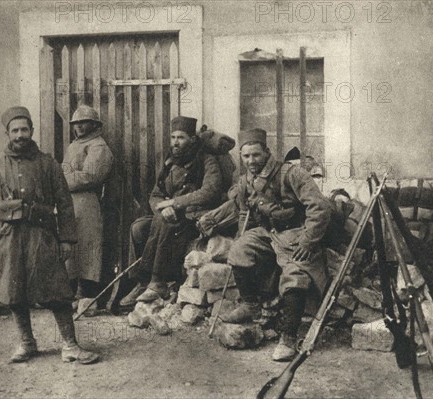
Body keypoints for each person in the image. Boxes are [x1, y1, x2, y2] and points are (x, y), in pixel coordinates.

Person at [0, 106, 99, 364]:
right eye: (15, 130)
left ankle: (70, 345)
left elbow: (65, 204)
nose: (20, 134)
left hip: (41, 236)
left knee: (57, 290)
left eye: (24, 129)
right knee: (13, 292)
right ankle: (27, 343)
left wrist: (66, 239)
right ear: (7, 134)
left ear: (31, 131)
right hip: (7, 238)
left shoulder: (48, 164)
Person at [222, 129, 332, 362]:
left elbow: (319, 207)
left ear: (267, 152)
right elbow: (244, 213)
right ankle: (251, 305)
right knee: (239, 250)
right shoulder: (245, 181)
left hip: (296, 232)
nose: (251, 161)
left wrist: (308, 239)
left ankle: (288, 337)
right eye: (246, 156)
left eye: (256, 155)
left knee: (294, 273)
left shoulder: (292, 173)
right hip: (268, 231)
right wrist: (241, 237)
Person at [119, 116, 223, 305]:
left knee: (165, 221)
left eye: (181, 137)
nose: (176, 142)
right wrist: (162, 208)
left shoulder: (207, 160)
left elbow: (211, 191)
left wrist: (174, 204)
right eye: (173, 137)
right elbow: (155, 195)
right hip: (170, 216)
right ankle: (143, 281)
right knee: (138, 228)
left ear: (192, 139)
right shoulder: (170, 162)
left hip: (195, 217)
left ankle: (157, 279)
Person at [63, 105, 114, 306]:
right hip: (70, 201)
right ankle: (69, 289)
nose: (79, 127)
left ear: (94, 125)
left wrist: (62, 179)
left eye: (83, 123)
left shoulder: (98, 147)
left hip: (88, 201)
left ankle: (85, 291)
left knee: (87, 245)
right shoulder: (73, 146)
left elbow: (90, 176)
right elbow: (66, 169)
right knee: (71, 244)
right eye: (76, 124)